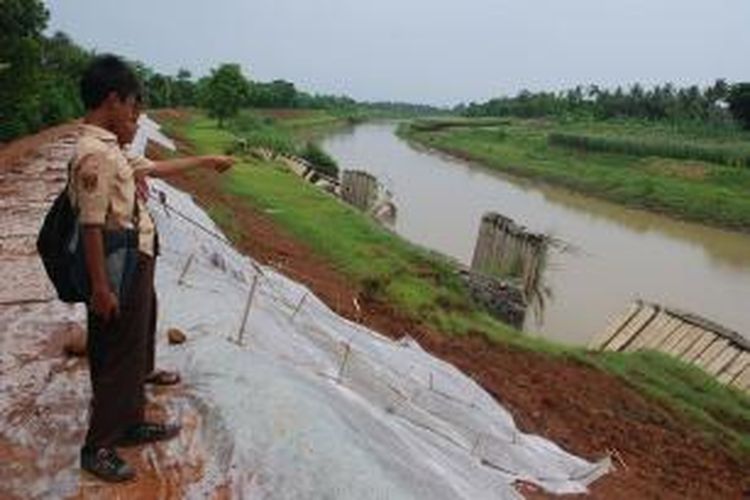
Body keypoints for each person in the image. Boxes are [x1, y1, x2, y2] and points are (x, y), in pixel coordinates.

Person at [71, 54, 233, 482]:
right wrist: (101, 288)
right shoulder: (95, 155)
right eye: (132, 105)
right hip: (115, 263)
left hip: (132, 260)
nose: (136, 114)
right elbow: (90, 226)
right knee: (116, 353)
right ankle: (99, 445)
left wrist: (204, 162)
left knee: (134, 343)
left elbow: (156, 168)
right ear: (112, 100)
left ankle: (130, 421)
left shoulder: (113, 150)